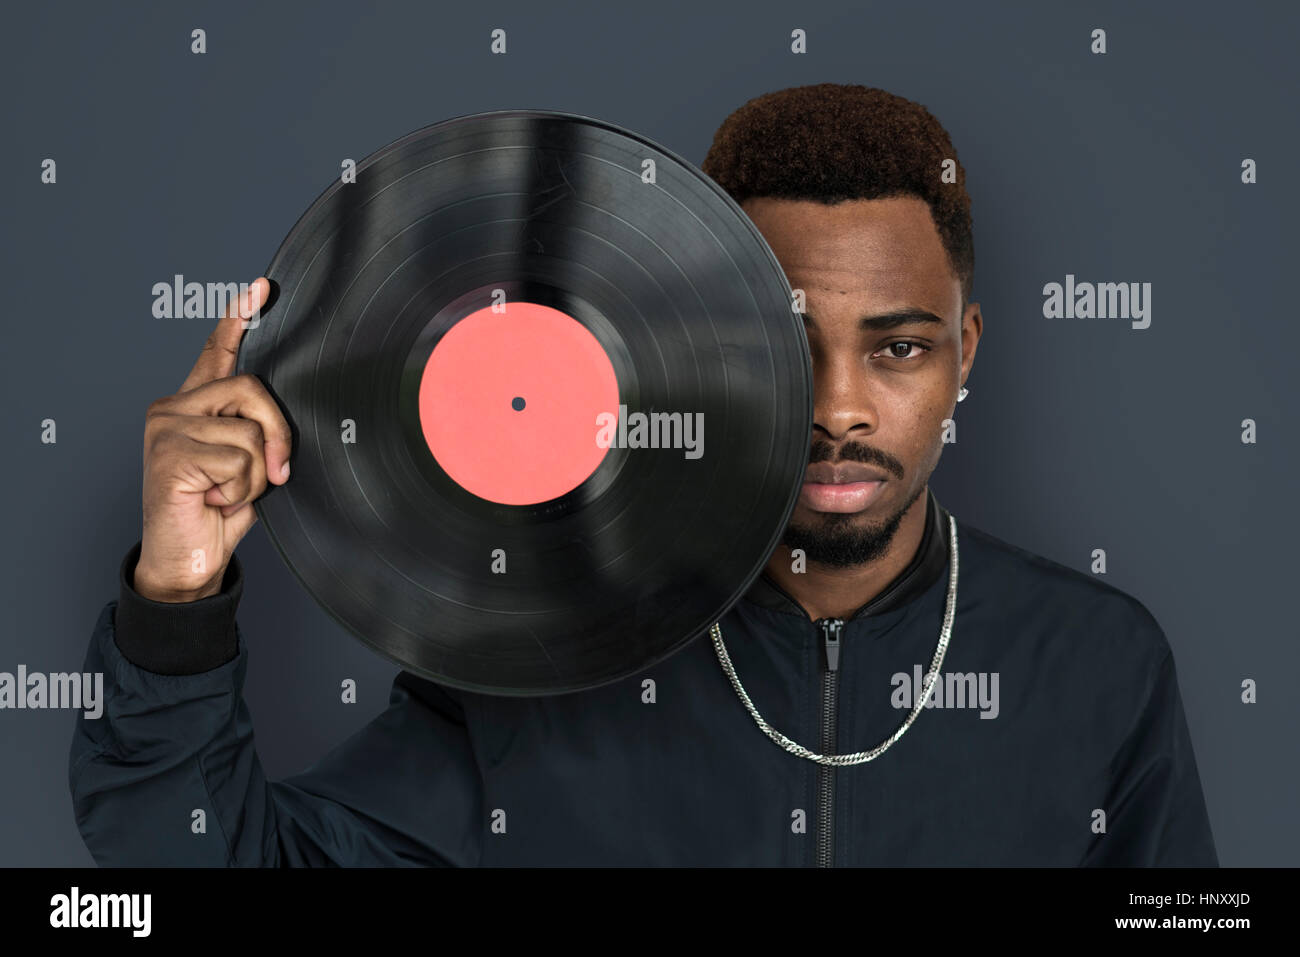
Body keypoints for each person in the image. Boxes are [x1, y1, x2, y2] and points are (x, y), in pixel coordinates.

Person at [68, 83, 1218, 866]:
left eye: (899, 348)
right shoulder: (542, 670)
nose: (836, 408)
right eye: (786, 344)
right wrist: (175, 604)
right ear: (699, 346)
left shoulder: (1100, 663)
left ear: (964, 354)